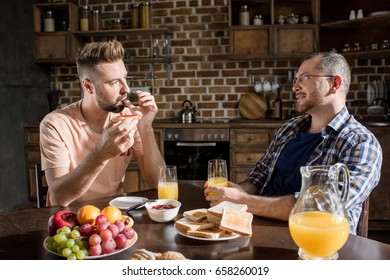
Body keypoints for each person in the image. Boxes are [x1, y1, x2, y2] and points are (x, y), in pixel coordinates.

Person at [204, 52, 382, 234]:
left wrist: (243, 200)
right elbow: (262, 173)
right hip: (257, 227)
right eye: (296, 80)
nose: (295, 87)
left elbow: (324, 206)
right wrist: (240, 189)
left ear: (334, 84)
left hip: (316, 243)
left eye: (304, 78)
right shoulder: (289, 128)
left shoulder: (361, 143)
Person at [40, 40, 165, 207]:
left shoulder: (128, 118)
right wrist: (101, 153)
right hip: (68, 221)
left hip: (113, 215)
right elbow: (60, 197)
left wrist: (145, 125)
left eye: (125, 78)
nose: (126, 89)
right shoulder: (55, 124)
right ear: (88, 86)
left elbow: (157, 182)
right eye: (113, 82)